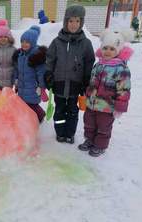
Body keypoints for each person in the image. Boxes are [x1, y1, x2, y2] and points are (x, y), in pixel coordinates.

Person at [78, 29, 133, 157]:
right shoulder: (98, 65)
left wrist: (119, 107)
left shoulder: (121, 68)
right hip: (92, 103)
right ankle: (89, 140)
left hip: (108, 106)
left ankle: (100, 145)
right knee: (89, 123)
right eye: (105, 48)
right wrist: (87, 95)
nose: (108, 51)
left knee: (104, 127)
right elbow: (92, 82)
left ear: (118, 50)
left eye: (112, 49)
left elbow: (124, 89)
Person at [45, 5, 95, 144]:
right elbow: (49, 59)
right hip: (59, 84)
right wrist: (48, 74)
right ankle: (60, 133)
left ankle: (70, 133)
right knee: (60, 110)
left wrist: (86, 80)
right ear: (66, 21)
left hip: (75, 85)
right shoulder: (57, 42)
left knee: (73, 111)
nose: (74, 24)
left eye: (77, 21)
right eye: (71, 21)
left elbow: (89, 63)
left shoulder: (86, 43)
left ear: (81, 23)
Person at [13, 25, 48, 123]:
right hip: (22, 85)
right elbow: (17, 69)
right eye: (22, 41)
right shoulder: (20, 55)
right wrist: (16, 80)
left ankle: (40, 116)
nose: (24, 44)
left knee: (32, 105)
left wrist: (42, 88)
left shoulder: (36, 56)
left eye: (27, 42)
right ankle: (28, 117)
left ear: (33, 43)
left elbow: (41, 73)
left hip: (33, 87)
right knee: (23, 103)